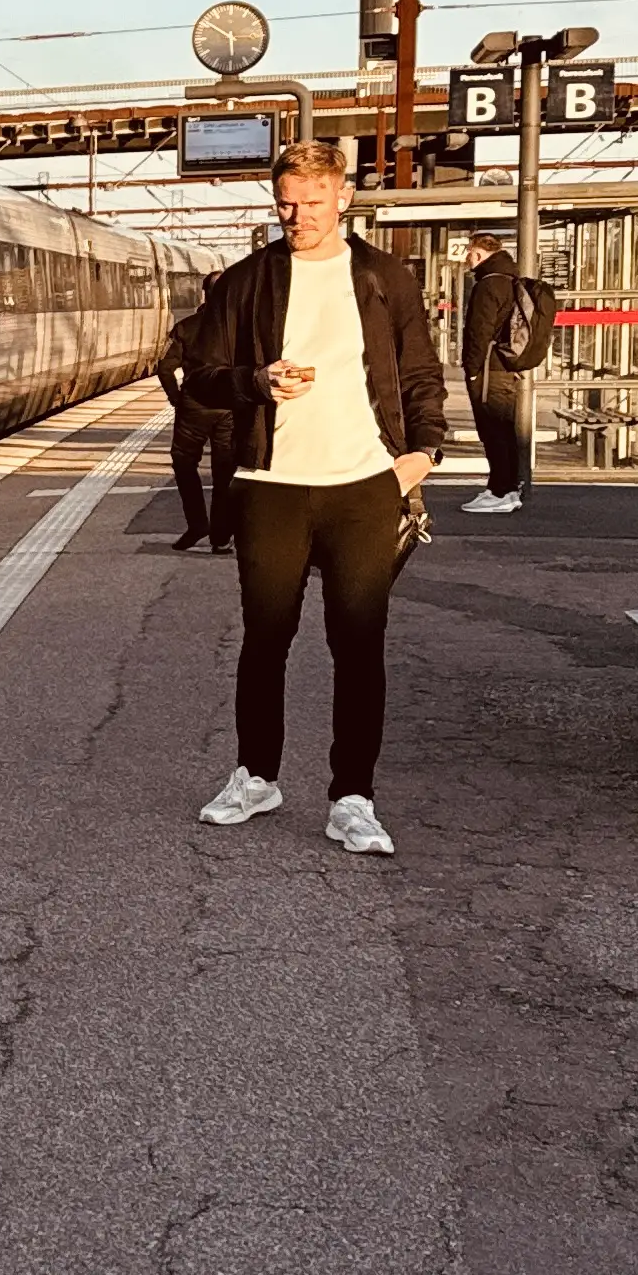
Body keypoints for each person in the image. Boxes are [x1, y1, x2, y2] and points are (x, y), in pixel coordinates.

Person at [187, 141, 445, 855]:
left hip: (364, 486)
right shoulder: (246, 281)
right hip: (272, 486)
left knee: (358, 647)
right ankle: (256, 776)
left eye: (310, 202)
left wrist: (422, 455)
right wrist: (254, 381)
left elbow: (421, 370)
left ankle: (353, 798)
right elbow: (199, 374)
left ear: (343, 199)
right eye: (285, 203)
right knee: (266, 641)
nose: (295, 216)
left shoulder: (386, 277)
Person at [458, 229, 538, 513]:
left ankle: (500, 491)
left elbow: (479, 330)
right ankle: (505, 488)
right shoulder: (511, 279)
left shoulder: (488, 285)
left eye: (469, 253)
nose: (468, 259)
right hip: (506, 365)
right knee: (504, 428)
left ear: (477, 253)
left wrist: (472, 369)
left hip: (490, 367)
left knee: (493, 430)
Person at [153, 283, 236, 551]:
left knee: (184, 463)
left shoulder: (187, 327)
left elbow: (165, 369)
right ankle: (221, 538)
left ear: (204, 294)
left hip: (193, 407)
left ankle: (197, 524)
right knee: (224, 472)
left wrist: (175, 398)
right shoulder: (239, 328)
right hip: (227, 407)